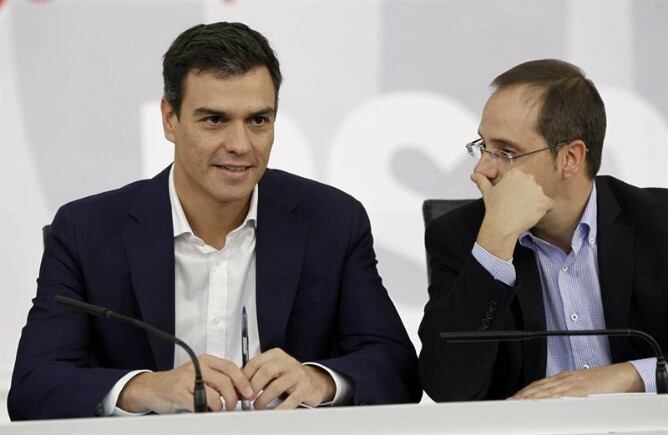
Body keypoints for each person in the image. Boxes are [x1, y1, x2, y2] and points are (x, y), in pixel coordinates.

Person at [8, 22, 420, 420]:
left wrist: (321, 382)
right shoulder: (88, 230)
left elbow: (396, 368)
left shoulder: (332, 220)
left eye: (258, 120)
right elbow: (33, 386)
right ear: (170, 119)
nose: (240, 145)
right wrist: (148, 388)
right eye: (214, 120)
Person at [418, 59, 668, 401]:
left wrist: (634, 375)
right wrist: (494, 244)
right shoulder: (460, 236)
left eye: (506, 152)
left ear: (570, 158)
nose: (481, 170)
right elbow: (448, 388)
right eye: (483, 146)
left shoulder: (659, 222)